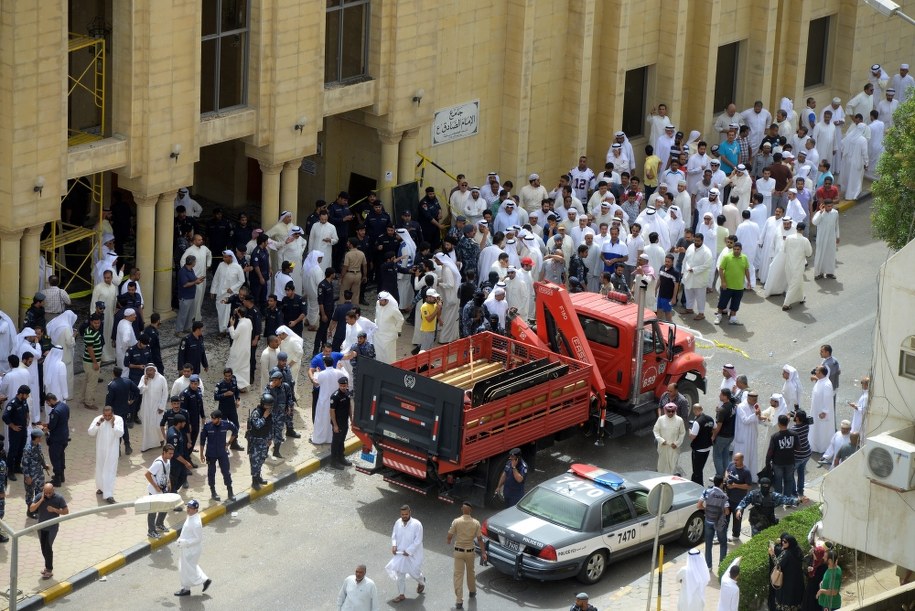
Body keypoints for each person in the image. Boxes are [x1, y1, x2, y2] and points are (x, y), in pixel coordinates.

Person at [447, 501, 486, 609]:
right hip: (470, 552)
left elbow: (449, 535)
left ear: (461, 509)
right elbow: (480, 539)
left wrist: (449, 540)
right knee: (471, 573)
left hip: (458, 552)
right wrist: (483, 552)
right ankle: (472, 591)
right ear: (471, 511)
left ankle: (459, 601)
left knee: (458, 576)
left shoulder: (456, 521)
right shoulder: (476, 523)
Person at [734, 477, 804, 535]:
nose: (765, 487)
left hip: (769, 522)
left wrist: (799, 500)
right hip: (756, 523)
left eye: (767, 486)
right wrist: (739, 509)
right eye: (763, 485)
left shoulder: (774, 496)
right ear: (760, 485)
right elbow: (744, 501)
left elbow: (786, 499)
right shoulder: (753, 494)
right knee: (756, 539)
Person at [385, 504, 426, 603]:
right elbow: (394, 535)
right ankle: (401, 595)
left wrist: (409, 551)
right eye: (402, 514)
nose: (404, 516)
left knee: (414, 573)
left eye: (406, 514)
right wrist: (394, 545)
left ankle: (421, 581)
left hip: (413, 555)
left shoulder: (417, 524)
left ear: (410, 513)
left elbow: (418, 540)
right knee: (400, 574)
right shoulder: (398, 522)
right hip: (400, 554)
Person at [29, 482, 68, 580]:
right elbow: (31, 509)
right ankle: (47, 568)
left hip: (52, 528)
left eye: (50, 493)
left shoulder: (59, 498)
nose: (48, 495)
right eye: (46, 493)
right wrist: (41, 500)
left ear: (53, 490)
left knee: (48, 547)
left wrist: (54, 510)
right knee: (43, 548)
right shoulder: (39, 496)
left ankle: (49, 570)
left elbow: (66, 511)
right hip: (41, 527)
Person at [174, 499, 212, 596]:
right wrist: (180, 539)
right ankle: (204, 580)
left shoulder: (196, 523)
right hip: (187, 548)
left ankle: (186, 589)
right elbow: (186, 531)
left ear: (196, 510)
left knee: (186, 569)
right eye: (188, 507)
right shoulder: (191, 516)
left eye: (191, 508)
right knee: (189, 567)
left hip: (191, 550)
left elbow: (198, 538)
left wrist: (185, 542)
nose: (188, 509)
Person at [88, 405, 124, 503]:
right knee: (100, 469)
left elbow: (120, 434)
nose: (107, 417)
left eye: (109, 415)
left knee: (110, 471)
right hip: (101, 450)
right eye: (105, 415)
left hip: (112, 451)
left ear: (113, 414)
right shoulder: (98, 419)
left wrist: (113, 424)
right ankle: (101, 487)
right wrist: (98, 423)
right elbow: (91, 432)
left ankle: (108, 494)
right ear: (103, 414)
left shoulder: (119, 419)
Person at [200, 409, 238, 501]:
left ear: (219, 419)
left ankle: (230, 491)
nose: (212, 420)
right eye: (211, 418)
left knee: (226, 472)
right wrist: (201, 454)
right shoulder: (207, 426)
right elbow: (202, 441)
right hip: (211, 453)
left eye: (214, 419)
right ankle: (213, 491)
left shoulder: (226, 424)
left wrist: (229, 443)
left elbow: (235, 430)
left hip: (222, 453)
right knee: (211, 473)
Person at [698, 476, 729, 571]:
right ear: (721, 483)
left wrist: (706, 509)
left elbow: (699, 505)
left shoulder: (706, 492)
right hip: (719, 523)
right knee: (723, 543)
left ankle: (709, 566)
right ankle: (722, 565)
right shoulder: (724, 496)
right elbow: (727, 512)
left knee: (708, 544)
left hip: (708, 521)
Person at [733, 390, 764, 481]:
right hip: (744, 436)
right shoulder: (741, 407)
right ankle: (742, 478)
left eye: (756, 400)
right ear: (748, 399)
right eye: (754, 400)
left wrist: (760, 417)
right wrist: (755, 414)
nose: (755, 402)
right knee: (744, 456)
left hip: (752, 435)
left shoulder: (755, 406)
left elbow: (756, 419)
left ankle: (752, 477)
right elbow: (745, 420)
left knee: (752, 456)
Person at [145, 444, 174, 538]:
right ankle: (151, 531)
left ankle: (159, 524)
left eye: (172, 453)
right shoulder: (158, 463)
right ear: (164, 452)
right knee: (153, 511)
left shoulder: (168, 460)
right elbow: (147, 474)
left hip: (163, 490)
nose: (171, 455)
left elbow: (167, 473)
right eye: (169, 453)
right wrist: (156, 486)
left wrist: (169, 482)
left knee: (165, 507)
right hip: (155, 491)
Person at [770, 533, 805, 610]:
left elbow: (778, 564)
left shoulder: (786, 553)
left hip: (787, 581)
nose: (783, 543)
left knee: (786, 600)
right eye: (782, 541)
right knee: (795, 599)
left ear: (790, 543)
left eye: (785, 542)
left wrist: (772, 554)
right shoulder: (798, 550)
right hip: (798, 580)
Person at [766, 415, 799, 496]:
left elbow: (770, 451)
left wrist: (767, 463)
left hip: (778, 463)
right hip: (790, 462)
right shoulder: (794, 434)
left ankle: (778, 498)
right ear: (788, 423)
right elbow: (798, 448)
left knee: (778, 481)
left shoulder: (775, 436)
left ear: (779, 424)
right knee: (789, 480)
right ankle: (787, 499)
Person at [138, 364, 168, 451]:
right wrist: (145, 383)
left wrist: (162, 406)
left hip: (157, 407)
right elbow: (140, 391)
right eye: (148, 370)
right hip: (146, 406)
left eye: (151, 370)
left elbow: (165, 393)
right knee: (147, 426)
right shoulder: (143, 378)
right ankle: (146, 445)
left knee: (157, 425)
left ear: (155, 370)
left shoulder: (161, 378)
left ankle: (161, 439)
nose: (149, 372)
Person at [246, 393, 273, 490]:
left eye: (270, 405)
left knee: (261, 460)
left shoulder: (269, 412)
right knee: (255, 462)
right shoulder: (256, 413)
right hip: (256, 442)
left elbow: (270, 426)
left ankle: (258, 477)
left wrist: (270, 439)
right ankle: (254, 481)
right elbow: (257, 425)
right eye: (267, 405)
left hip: (264, 441)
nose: (268, 407)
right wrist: (264, 417)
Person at [22, 429, 49, 517]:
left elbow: (40, 456)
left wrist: (45, 465)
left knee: (40, 490)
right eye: (40, 437)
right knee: (30, 493)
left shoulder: (38, 445)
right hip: (31, 475)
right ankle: (30, 511)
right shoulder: (28, 449)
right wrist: (27, 477)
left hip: (39, 472)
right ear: (36, 438)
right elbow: (24, 464)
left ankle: (37, 508)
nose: (41, 439)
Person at [653, 402, 686, 474]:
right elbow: (656, 430)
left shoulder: (679, 420)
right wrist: (661, 441)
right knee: (662, 466)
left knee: (673, 466)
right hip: (663, 447)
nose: (671, 413)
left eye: (673, 411)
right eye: (669, 411)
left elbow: (682, 433)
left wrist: (677, 443)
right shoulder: (660, 419)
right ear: (665, 411)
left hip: (674, 448)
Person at [45, 393, 70, 486]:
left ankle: (57, 479)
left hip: (56, 438)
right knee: (61, 456)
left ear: (51, 400)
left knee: (55, 458)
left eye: (48, 403)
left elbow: (51, 426)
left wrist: (44, 429)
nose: (48, 405)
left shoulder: (55, 411)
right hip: (64, 436)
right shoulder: (65, 406)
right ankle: (62, 476)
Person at [809, 366, 835, 454]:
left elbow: (827, 399)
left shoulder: (827, 384)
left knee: (822, 430)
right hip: (816, 410)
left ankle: (822, 447)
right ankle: (814, 445)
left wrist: (824, 412)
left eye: (817, 371)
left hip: (821, 413)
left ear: (820, 373)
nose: (815, 372)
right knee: (815, 428)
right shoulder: (821, 381)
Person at [812, 200, 839, 280]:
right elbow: (814, 222)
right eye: (828, 206)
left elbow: (836, 225)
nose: (830, 208)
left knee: (830, 255)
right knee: (820, 255)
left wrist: (837, 236)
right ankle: (818, 273)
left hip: (831, 237)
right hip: (821, 238)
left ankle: (830, 273)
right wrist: (820, 212)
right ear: (824, 206)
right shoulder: (820, 213)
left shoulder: (835, 213)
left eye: (831, 206)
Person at [329, 376, 353, 469]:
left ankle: (341, 457)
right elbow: (332, 411)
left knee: (342, 440)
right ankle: (333, 461)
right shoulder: (335, 396)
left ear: (347, 385)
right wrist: (335, 425)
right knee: (336, 442)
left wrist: (351, 419)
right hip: (337, 422)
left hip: (344, 421)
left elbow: (349, 406)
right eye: (341, 385)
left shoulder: (347, 393)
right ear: (339, 385)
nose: (343, 387)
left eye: (344, 385)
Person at [711, 389, 736, 477]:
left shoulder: (722, 410)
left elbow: (719, 426)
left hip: (722, 436)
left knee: (717, 456)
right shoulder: (732, 406)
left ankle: (719, 476)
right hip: (730, 436)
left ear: (725, 396)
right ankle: (726, 475)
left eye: (721, 394)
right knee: (725, 456)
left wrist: (713, 436)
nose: (719, 396)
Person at [688, 403, 714, 485]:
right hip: (707, 448)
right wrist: (711, 437)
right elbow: (715, 428)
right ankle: (693, 483)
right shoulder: (710, 418)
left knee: (697, 470)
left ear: (694, 410)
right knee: (700, 468)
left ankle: (699, 485)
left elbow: (692, 436)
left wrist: (690, 430)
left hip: (698, 449)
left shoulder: (697, 422)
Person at [850, 376, 869, 440]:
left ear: (866, 385)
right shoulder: (865, 394)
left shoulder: (866, 396)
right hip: (858, 417)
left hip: (860, 418)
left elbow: (863, 409)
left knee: (857, 433)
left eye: (862, 383)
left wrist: (855, 406)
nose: (861, 385)